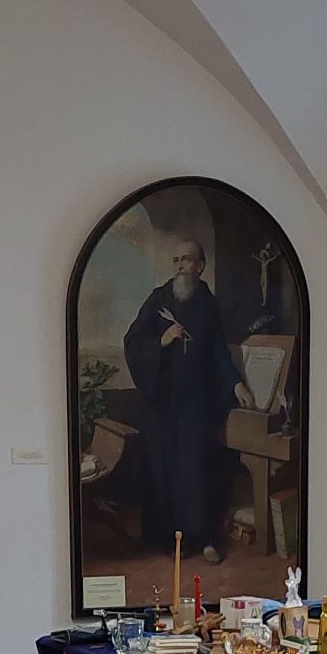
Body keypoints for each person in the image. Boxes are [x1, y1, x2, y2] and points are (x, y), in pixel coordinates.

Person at [122, 239, 253, 564]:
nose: (180, 266)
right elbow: (133, 340)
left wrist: (236, 383)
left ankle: (204, 538)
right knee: (164, 469)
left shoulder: (208, 304)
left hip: (194, 401)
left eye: (187, 260)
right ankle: (170, 539)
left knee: (196, 468)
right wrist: (161, 341)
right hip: (161, 402)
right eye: (176, 260)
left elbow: (218, 352)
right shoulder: (158, 299)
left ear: (200, 266)